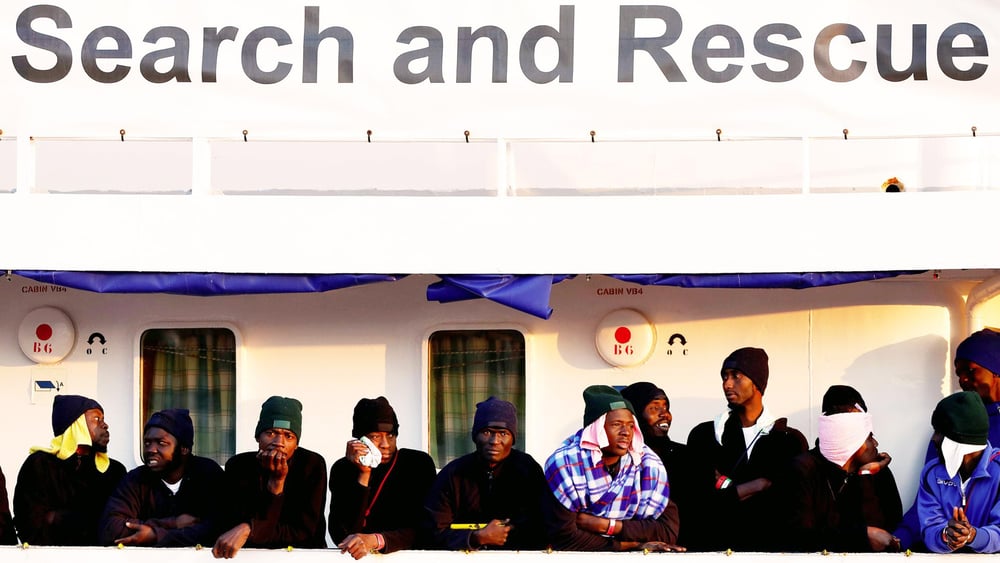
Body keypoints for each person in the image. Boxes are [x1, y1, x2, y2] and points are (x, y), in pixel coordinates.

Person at [685, 347, 807, 551]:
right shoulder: (704, 435)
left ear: (757, 382)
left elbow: (789, 505)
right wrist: (758, 485)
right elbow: (699, 504)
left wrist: (728, 487)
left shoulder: (789, 440)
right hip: (715, 550)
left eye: (736, 376)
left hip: (771, 552)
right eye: (724, 377)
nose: (727, 384)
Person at [896, 329, 1000, 550]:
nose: (962, 379)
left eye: (971, 371)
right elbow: (925, 503)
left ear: (996, 370)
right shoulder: (947, 429)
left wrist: (976, 536)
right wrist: (899, 538)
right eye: (958, 373)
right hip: (947, 551)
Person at [543, 385, 680, 551]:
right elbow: (564, 537)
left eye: (630, 425)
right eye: (617, 424)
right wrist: (628, 545)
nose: (626, 432)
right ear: (596, 429)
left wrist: (607, 526)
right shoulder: (565, 465)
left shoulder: (647, 464)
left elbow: (667, 531)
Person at [782, 385, 902, 552]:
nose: (875, 444)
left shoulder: (878, 472)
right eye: (868, 436)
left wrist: (864, 476)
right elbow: (797, 538)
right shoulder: (802, 469)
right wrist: (860, 536)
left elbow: (887, 532)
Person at [424, 396, 548, 550]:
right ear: (475, 436)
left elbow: (544, 524)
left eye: (503, 433)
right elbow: (432, 532)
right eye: (487, 432)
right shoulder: (453, 474)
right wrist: (476, 537)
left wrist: (510, 531)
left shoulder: (528, 470)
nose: (495, 440)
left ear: (513, 438)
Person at [212, 396, 327, 558]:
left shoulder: (311, 465)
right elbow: (231, 524)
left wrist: (250, 529)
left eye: (288, 436)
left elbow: (304, 531)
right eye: (270, 433)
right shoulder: (239, 466)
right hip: (251, 557)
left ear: (296, 444)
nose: (279, 442)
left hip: (301, 557)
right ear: (258, 437)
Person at [329, 396, 436, 559]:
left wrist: (377, 540)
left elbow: (426, 527)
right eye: (375, 436)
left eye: (391, 435)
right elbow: (343, 534)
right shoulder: (343, 469)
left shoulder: (417, 464)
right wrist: (364, 474)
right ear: (360, 439)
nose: (385, 444)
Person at [99, 408, 224, 547]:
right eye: (147, 443)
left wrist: (155, 536)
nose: (151, 449)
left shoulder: (207, 473)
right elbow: (110, 529)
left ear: (184, 448)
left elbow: (218, 530)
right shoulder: (136, 479)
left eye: (161, 443)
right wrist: (172, 524)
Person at [14, 394, 126, 545]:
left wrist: (55, 517)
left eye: (103, 419)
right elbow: (28, 522)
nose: (105, 425)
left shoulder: (114, 471)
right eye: (96, 419)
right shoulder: (39, 464)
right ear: (76, 424)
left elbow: (114, 524)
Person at [916, 391, 1000, 553]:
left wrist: (973, 536)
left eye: (939, 431)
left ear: (958, 439)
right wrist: (946, 535)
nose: (934, 438)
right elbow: (929, 528)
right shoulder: (932, 472)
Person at [620, 381, 690, 544]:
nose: (664, 414)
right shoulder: (620, 459)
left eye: (666, 407)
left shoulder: (687, 455)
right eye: (654, 408)